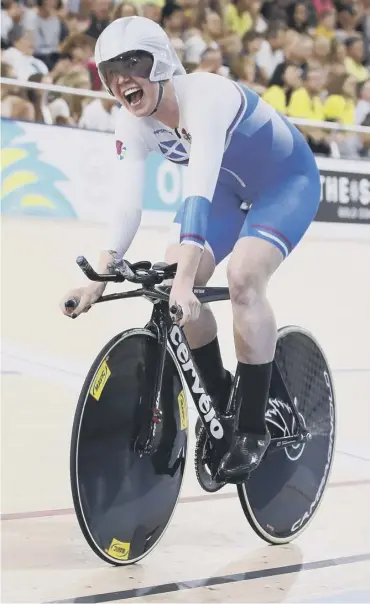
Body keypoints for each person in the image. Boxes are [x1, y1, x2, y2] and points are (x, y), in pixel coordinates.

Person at [60, 16, 321, 484]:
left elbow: (197, 189)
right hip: (225, 191)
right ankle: (219, 396)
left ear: (160, 63)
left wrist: (186, 281)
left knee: (243, 278)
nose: (122, 80)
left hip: (284, 182)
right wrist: (97, 279)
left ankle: (252, 426)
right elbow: (126, 207)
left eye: (132, 64)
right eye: (110, 71)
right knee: (168, 281)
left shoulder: (205, 96)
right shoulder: (132, 122)